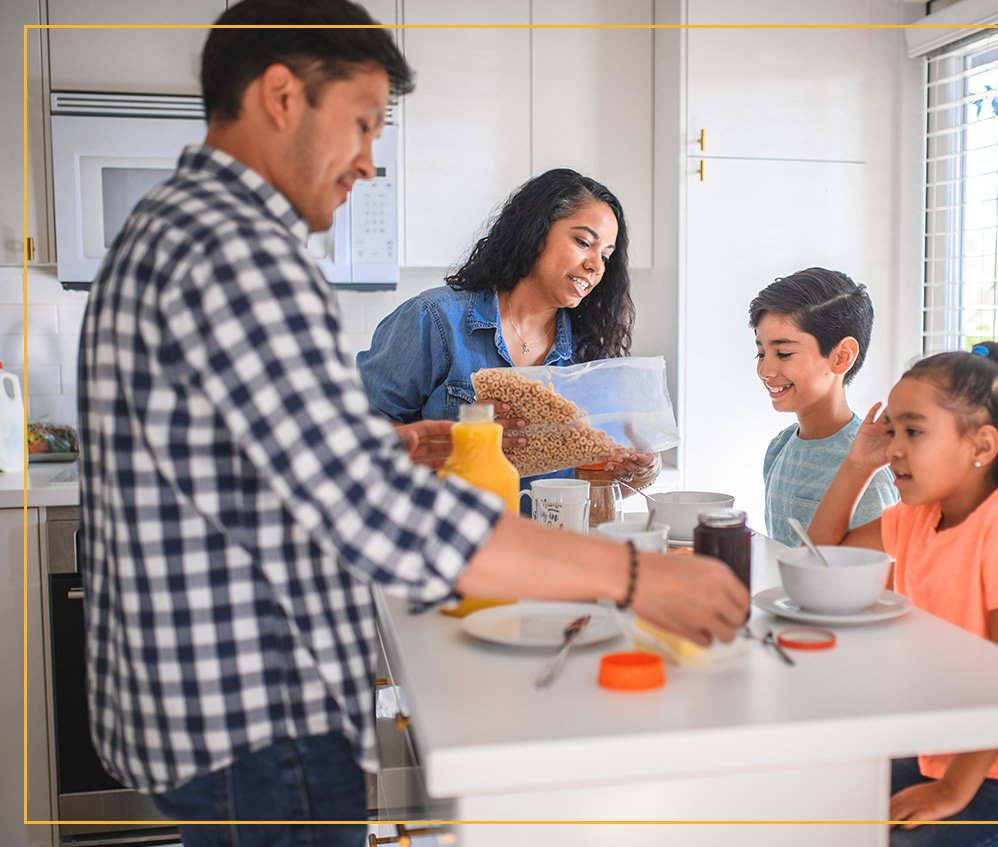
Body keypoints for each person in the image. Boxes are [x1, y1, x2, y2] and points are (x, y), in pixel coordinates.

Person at [75, 2, 749, 844]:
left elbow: (271, 457)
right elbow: (367, 503)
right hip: (257, 705)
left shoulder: (173, 226)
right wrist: (636, 578)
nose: (367, 161)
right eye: (361, 124)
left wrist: (390, 447)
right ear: (281, 96)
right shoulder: (241, 253)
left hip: (200, 694)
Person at [808, 341, 998, 847]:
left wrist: (955, 788)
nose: (894, 447)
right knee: (813, 807)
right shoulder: (917, 517)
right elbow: (825, 557)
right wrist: (856, 465)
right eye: (892, 430)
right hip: (937, 756)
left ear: (981, 446)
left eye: (913, 431)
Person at [357, 168, 660, 490]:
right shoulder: (435, 320)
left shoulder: (588, 352)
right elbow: (351, 438)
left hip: (546, 535)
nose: (596, 265)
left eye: (606, 256)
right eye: (583, 242)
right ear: (535, 232)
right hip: (444, 532)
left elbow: (583, 486)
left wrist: (635, 475)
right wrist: (465, 440)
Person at [749, 267, 897, 547]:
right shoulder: (778, 448)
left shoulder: (870, 470)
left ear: (841, 357)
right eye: (761, 352)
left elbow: (872, 574)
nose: (765, 370)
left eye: (783, 353)